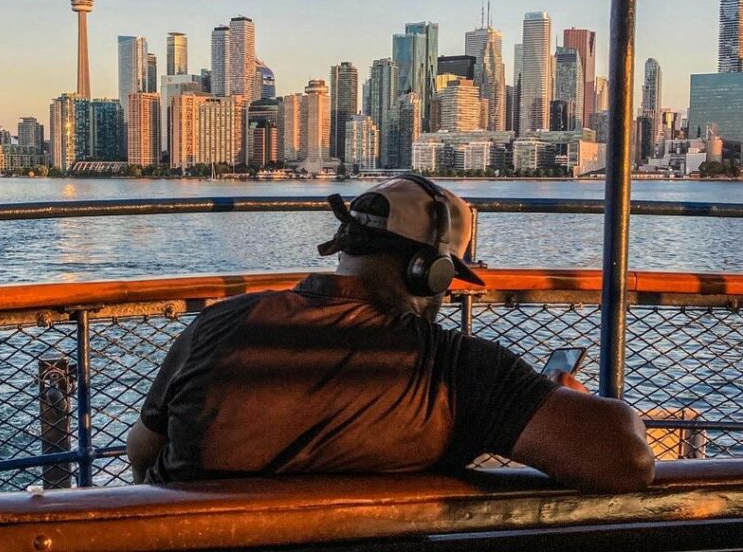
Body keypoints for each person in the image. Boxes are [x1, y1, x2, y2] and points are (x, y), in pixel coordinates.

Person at [127, 175, 654, 493]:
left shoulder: (220, 322)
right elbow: (625, 459)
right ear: (432, 272)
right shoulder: (456, 370)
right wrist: (559, 396)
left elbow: (141, 452)